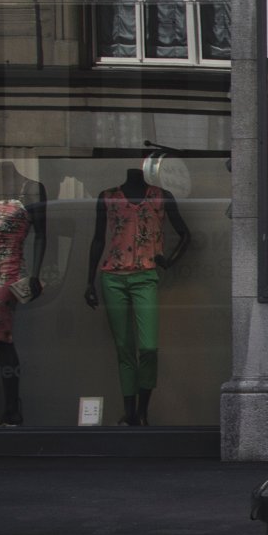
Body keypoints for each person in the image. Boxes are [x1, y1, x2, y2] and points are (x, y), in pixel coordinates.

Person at [84, 167, 189, 426]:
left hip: (145, 275)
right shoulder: (107, 197)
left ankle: (143, 410)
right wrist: (89, 281)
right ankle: (129, 412)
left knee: (149, 348)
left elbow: (185, 233)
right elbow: (98, 239)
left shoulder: (160, 196)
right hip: (112, 276)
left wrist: (169, 260)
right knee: (124, 348)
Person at [0, 160, 48, 426]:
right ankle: (11, 409)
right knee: (1, 340)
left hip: (7, 273)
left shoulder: (32, 189)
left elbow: (43, 234)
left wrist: (35, 275)